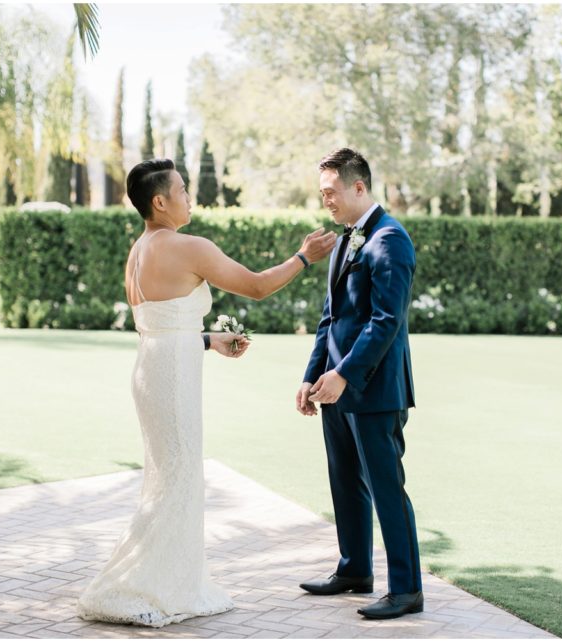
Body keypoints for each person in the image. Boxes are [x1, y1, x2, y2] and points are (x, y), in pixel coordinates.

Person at [77, 159, 336, 627]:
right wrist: (303, 257)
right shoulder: (187, 246)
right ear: (160, 201)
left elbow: (158, 325)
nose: (189, 196)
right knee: (177, 480)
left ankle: (163, 578)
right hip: (172, 376)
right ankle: (147, 586)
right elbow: (256, 287)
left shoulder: (137, 251)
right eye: (182, 189)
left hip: (151, 370)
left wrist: (207, 339)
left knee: (166, 478)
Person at [296, 148, 423, 620]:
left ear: (359, 187)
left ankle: (407, 589)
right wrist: (312, 376)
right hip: (333, 388)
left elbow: (386, 320)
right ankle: (354, 570)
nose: (325, 199)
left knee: (386, 487)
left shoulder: (390, 239)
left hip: (372, 389)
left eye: (331, 191)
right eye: (321, 192)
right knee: (345, 481)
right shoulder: (345, 239)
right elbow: (332, 318)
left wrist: (345, 373)